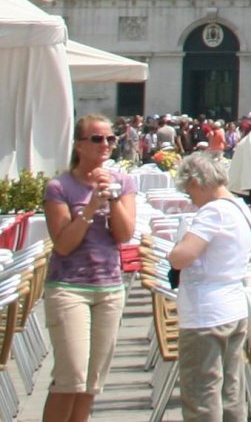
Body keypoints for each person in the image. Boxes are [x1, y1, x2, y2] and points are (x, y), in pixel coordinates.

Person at [43, 114, 138, 422]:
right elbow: (63, 245)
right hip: (69, 287)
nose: (106, 144)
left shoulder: (122, 183)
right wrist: (91, 208)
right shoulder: (60, 187)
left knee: (90, 383)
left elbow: (124, 235)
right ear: (79, 146)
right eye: (97, 139)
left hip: (109, 287)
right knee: (70, 377)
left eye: (111, 138)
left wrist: (111, 200)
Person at [167, 149, 251, 422]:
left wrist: (173, 250)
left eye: (190, 193)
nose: (192, 201)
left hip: (206, 312)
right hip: (234, 304)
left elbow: (182, 257)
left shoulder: (213, 212)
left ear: (195, 182)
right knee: (231, 391)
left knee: (201, 394)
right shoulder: (240, 207)